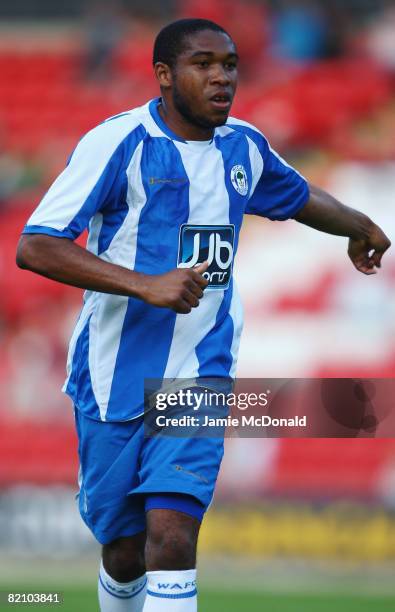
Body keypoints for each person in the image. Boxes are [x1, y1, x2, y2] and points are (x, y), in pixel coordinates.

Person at [16, 18, 390, 612]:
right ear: (164, 76)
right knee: (124, 549)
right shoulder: (116, 144)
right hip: (112, 373)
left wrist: (361, 225)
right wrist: (144, 285)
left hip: (198, 368)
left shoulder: (243, 145)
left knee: (172, 537)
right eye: (204, 64)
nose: (222, 78)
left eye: (231, 65)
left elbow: (296, 195)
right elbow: (35, 245)